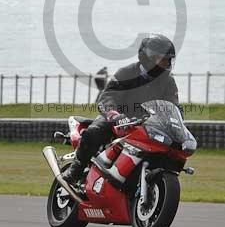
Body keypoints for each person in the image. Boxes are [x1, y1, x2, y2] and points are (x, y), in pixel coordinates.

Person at [61, 34, 178, 186]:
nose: (166, 64)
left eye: (168, 60)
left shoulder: (168, 81)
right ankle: (76, 170)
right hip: (118, 118)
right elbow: (107, 96)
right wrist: (113, 114)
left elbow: (173, 107)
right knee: (94, 131)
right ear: (148, 58)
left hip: (146, 123)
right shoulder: (127, 73)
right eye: (162, 60)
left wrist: (176, 124)